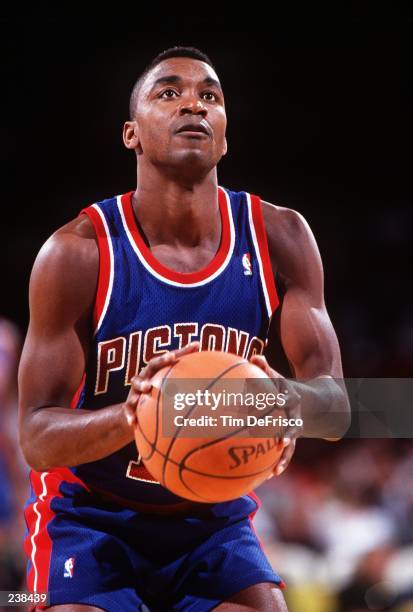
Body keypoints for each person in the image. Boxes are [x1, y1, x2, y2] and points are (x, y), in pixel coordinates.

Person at [19, 46, 350, 611]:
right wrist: (134, 417)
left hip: (212, 515)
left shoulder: (282, 238)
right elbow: (35, 437)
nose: (193, 104)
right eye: (168, 93)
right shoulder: (77, 254)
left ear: (224, 137)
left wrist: (281, 399)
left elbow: (336, 407)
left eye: (210, 96)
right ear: (132, 135)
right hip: (90, 512)